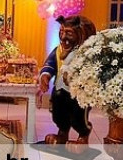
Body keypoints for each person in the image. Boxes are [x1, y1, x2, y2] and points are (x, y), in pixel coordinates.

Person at [39, 15, 96, 148]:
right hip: (60, 91)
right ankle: (62, 133)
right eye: (61, 32)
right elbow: (50, 64)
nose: (63, 37)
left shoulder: (88, 53)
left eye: (69, 33)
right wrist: (45, 75)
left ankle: (83, 135)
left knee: (78, 116)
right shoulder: (59, 50)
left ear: (81, 34)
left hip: (79, 94)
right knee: (58, 113)